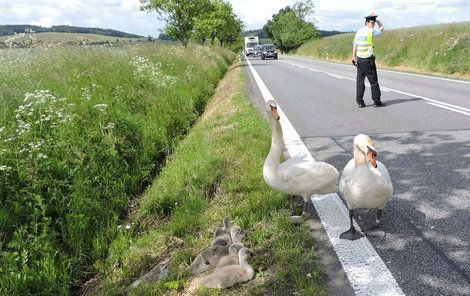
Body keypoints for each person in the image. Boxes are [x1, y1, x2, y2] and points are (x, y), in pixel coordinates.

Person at [352, 12, 385, 108]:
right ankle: (377, 101)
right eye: (372, 22)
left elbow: (355, 44)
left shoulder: (359, 31)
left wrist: (353, 57)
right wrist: (378, 20)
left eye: (374, 23)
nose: (373, 24)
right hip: (368, 60)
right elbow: (382, 28)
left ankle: (360, 102)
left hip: (359, 60)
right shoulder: (371, 31)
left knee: (360, 81)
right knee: (373, 81)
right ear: (367, 22)